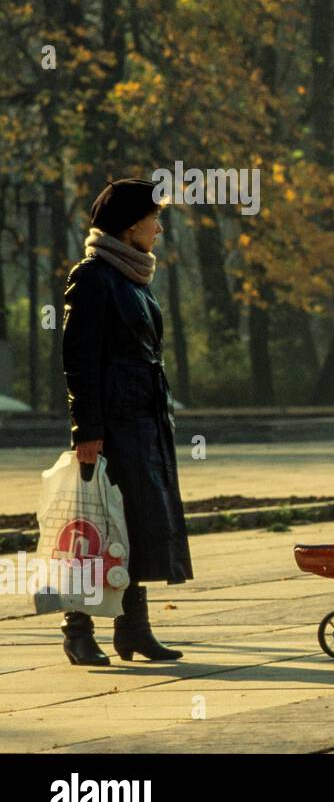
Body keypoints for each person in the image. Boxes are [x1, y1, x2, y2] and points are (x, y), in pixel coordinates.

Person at [61, 178, 190, 665]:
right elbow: (78, 358)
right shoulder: (93, 276)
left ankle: (133, 628)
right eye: (155, 219)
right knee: (93, 528)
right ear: (132, 225)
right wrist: (87, 430)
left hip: (142, 423)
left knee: (131, 524)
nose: (159, 229)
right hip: (111, 426)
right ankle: (77, 630)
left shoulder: (132, 278)